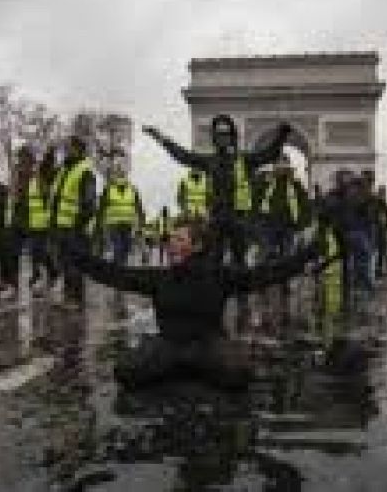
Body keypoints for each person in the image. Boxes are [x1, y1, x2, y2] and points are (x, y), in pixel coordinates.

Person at [75, 220, 327, 389]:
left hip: (207, 343)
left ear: (197, 246)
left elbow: (266, 274)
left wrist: (306, 255)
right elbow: (114, 273)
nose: (171, 244)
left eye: (179, 239)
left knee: (239, 376)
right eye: (171, 239)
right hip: (169, 343)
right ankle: (184, 365)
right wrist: (76, 256)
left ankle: (184, 365)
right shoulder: (159, 277)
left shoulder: (220, 275)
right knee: (125, 372)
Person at [143, 115, 291, 267]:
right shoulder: (210, 161)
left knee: (239, 260)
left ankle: (239, 287)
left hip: (238, 218)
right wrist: (161, 139)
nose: (222, 138)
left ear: (232, 135)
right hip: (217, 218)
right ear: (214, 136)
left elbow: (269, 155)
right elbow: (183, 156)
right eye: (219, 134)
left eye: (226, 133)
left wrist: (282, 135)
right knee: (213, 260)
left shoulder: (244, 160)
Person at [48, 135, 97, 302]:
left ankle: (75, 299)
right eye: (66, 148)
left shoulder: (85, 171)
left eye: (70, 148)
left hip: (75, 228)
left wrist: (78, 224)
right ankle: (69, 297)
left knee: (74, 264)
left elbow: (90, 203)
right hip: (59, 226)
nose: (67, 151)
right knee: (62, 263)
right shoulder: (63, 170)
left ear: (79, 150)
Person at [6, 147, 58, 296]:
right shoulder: (15, 173)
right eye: (20, 158)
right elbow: (12, 195)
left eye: (25, 158)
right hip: (17, 218)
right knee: (12, 252)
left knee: (38, 253)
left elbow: (48, 196)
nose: (22, 161)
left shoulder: (39, 176)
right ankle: (12, 284)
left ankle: (48, 274)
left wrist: (48, 220)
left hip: (36, 220)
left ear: (31, 160)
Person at [257, 158, 311, 259]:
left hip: (288, 224)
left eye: (284, 168)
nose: (282, 171)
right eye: (280, 168)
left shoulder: (296, 185)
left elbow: (304, 205)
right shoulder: (266, 183)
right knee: (268, 252)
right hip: (268, 223)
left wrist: (303, 224)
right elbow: (256, 200)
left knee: (287, 254)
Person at [97, 167, 144, 266]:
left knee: (126, 246)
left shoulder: (132, 189)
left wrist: (141, 221)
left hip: (127, 224)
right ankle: (119, 268)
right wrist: (100, 222)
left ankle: (119, 265)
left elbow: (138, 207)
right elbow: (102, 206)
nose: (121, 176)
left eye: (122, 174)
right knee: (118, 246)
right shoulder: (109, 189)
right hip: (113, 224)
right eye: (119, 174)